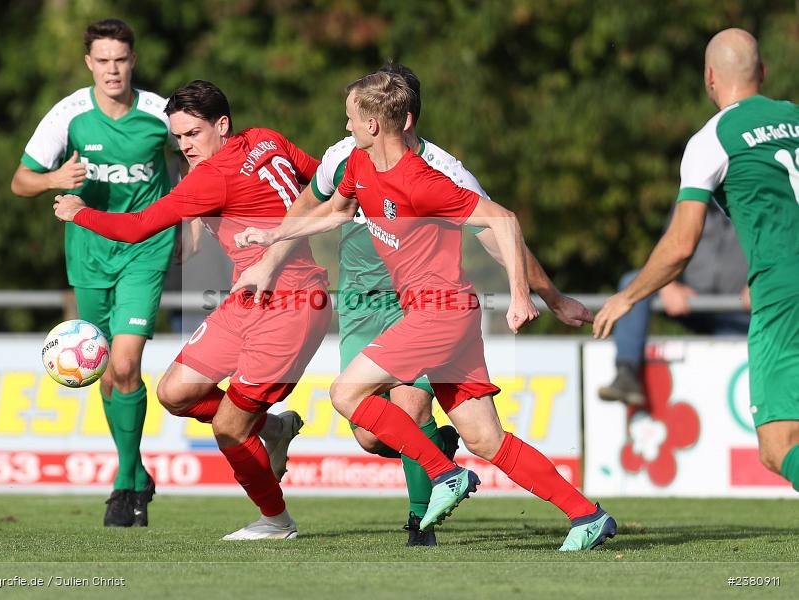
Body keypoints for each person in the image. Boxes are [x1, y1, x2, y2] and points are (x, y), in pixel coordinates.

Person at [237, 72, 616, 550]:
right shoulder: (356, 163)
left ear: (374, 124)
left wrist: (524, 295)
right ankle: (587, 515)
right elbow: (334, 212)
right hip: (440, 315)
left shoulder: (425, 180)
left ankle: (443, 473)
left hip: (440, 312)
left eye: (352, 116)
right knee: (485, 439)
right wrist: (273, 236)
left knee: (346, 393)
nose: (345, 123)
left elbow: (504, 220)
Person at [54, 80, 332, 540]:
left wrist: (78, 211)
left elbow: (137, 227)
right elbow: (323, 179)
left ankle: (276, 521)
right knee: (175, 392)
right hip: (248, 299)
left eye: (193, 134)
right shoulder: (266, 138)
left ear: (221, 126)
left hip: (292, 303)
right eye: (177, 137)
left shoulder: (212, 175)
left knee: (227, 427)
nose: (184, 145)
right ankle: (274, 428)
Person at [594, 28, 799, 491]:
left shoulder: (714, 137)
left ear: (710, 78)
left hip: (784, 292)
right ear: (762, 73)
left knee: (778, 445)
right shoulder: (795, 118)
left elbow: (681, 243)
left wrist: (629, 297)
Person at [11, 19, 175, 527]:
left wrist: (192, 217)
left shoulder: (158, 114)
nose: (112, 69)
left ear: (133, 61)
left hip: (145, 249)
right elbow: (20, 181)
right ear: (89, 63)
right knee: (107, 370)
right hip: (88, 254)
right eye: (102, 60)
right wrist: (55, 179)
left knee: (126, 363)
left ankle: (123, 487)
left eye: (120, 59)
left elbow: (199, 155)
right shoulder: (68, 115)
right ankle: (137, 473)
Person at [599, 203, 751, 405]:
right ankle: (626, 374)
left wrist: (763, 280)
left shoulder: (757, 200)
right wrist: (666, 285)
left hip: (738, 311)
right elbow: (670, 249)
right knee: (632, 284)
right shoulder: (690, 201)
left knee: (731, 366)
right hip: (691, 303)